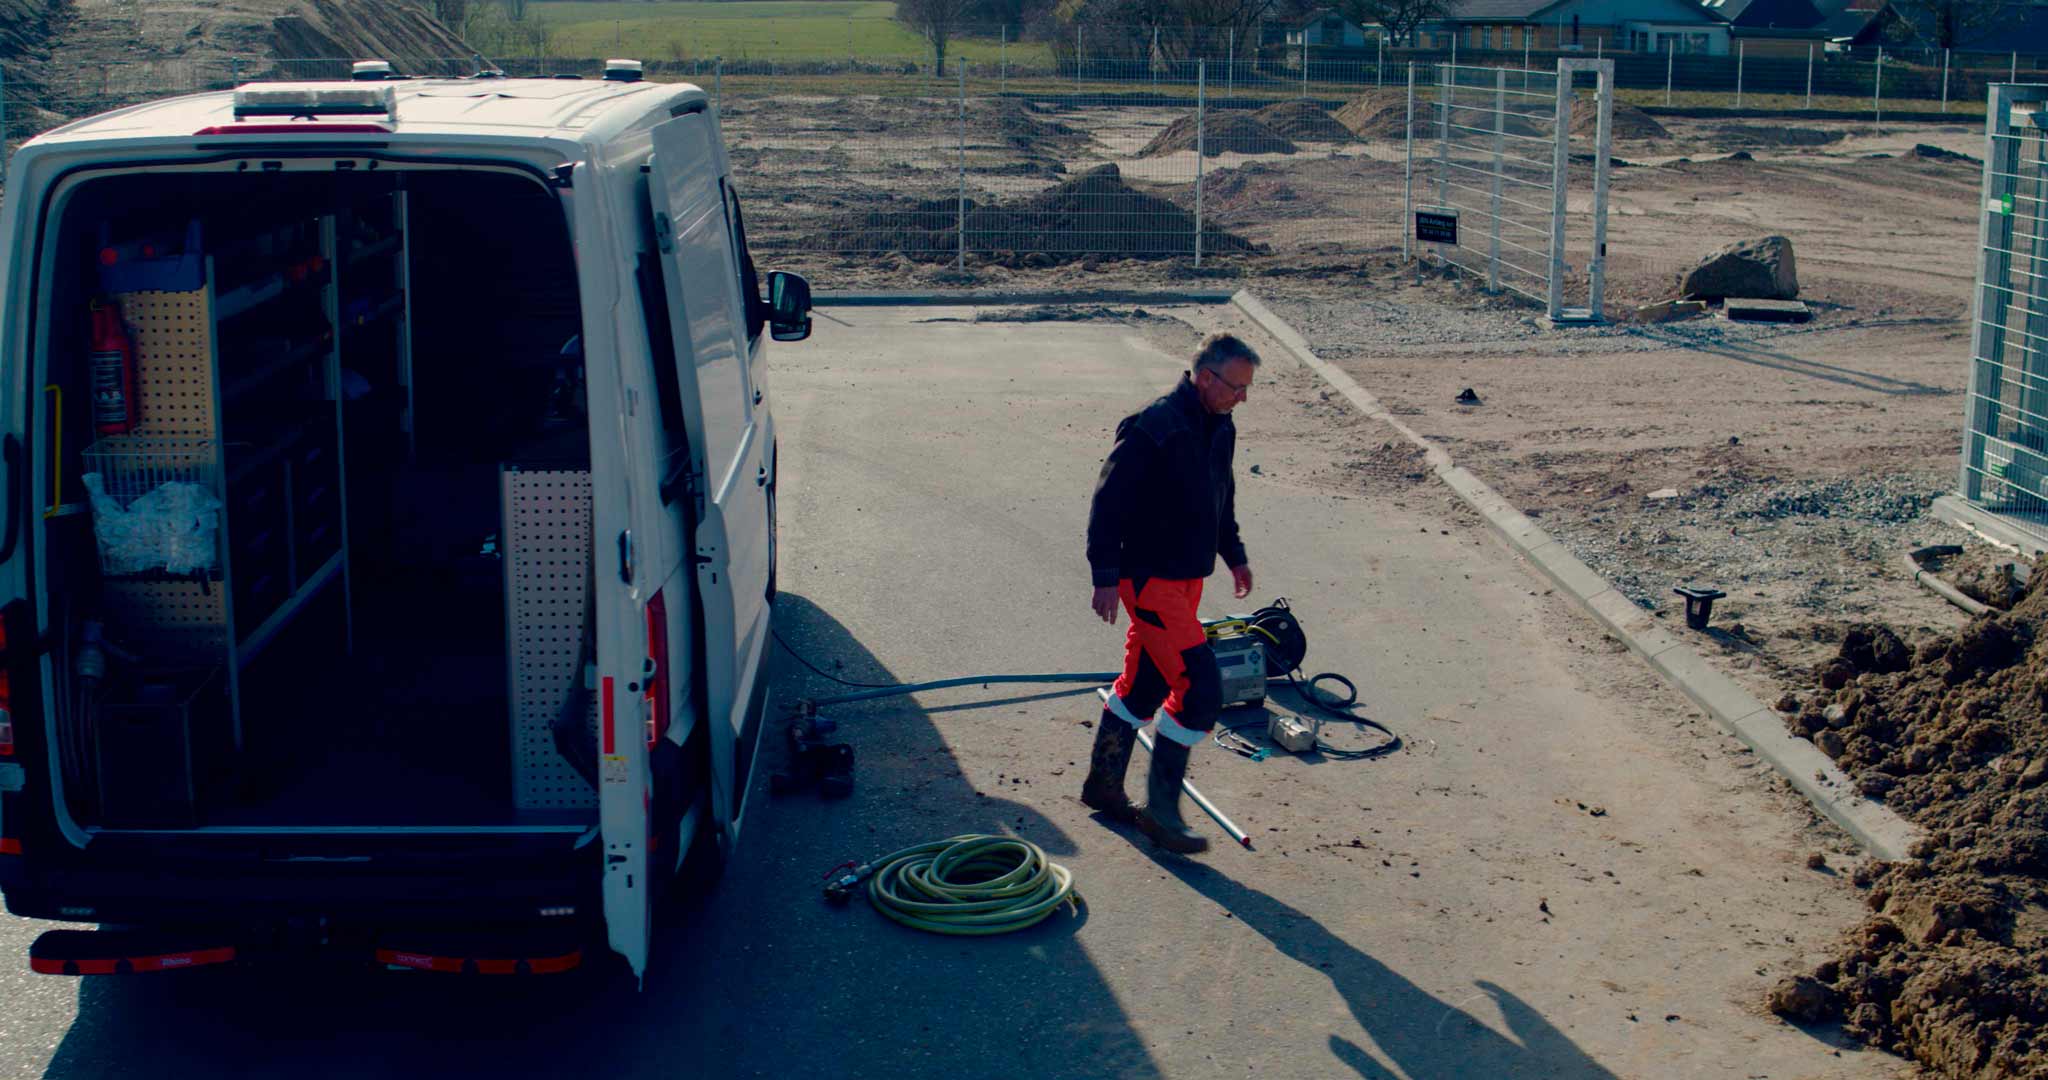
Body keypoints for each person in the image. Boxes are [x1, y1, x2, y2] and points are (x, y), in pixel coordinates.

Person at [1081, 333, 1258, 854]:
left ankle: (1102, 786)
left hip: (1187, 579)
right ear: (1206, 377)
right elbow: (1107, 500)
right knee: (1201, 689)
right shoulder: (1154, 426)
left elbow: (1220, 499)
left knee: (1145, 684)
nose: (1242, 397)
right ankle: (1162, 815)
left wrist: (1235, 553)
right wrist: (1105, 575)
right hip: (1150, 579)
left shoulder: (1220, 424)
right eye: (1237, 387)